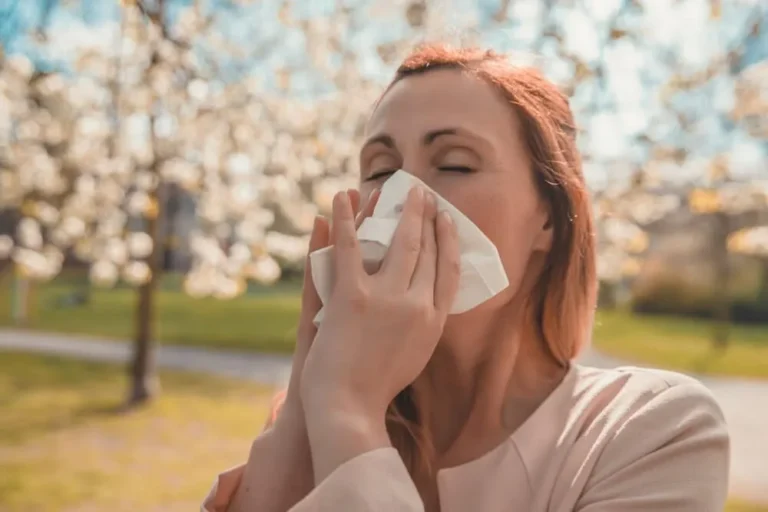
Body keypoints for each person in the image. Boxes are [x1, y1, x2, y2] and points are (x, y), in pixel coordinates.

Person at [202, 43, 729, 512]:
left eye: (454, 164)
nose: (401, 196)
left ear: (548, 214)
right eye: (381, 170)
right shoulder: (309, 419)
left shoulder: (649, 429)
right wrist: (307, 387)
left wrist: (349, 417)